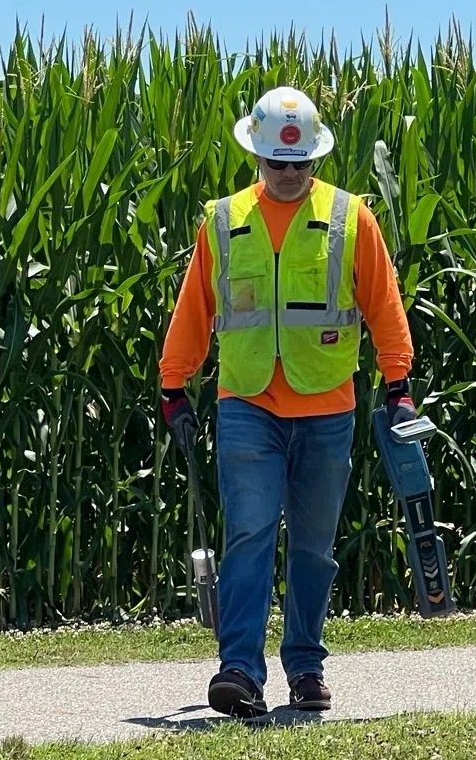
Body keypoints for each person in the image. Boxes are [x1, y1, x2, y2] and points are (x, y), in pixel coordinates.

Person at [159, 86, 417, 717]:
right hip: (247, 401)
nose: (290, 175)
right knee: (248, 533)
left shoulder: (350, 218)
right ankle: (239, 671)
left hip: (328, 404)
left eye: (301, 164)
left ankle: (305, 666)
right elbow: (197, 306)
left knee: (312, 545)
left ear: (316, 159)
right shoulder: (222, 221)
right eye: (278, 163)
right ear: (257, 156)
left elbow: (384, 306)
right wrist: (174, 383)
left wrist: (398, 385)